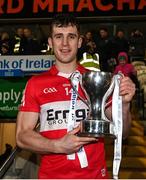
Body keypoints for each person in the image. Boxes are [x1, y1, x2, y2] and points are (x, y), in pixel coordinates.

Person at [16, 14, 135, 179]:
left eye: (71, 37)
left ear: (79, 42)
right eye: (59, 37)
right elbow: (22, 136)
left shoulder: (97, 81)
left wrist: (124, 104)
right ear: (50, 42)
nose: (65, 44)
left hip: (94, 176)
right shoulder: (36, 83)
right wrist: (57, 145)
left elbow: (124, 132)